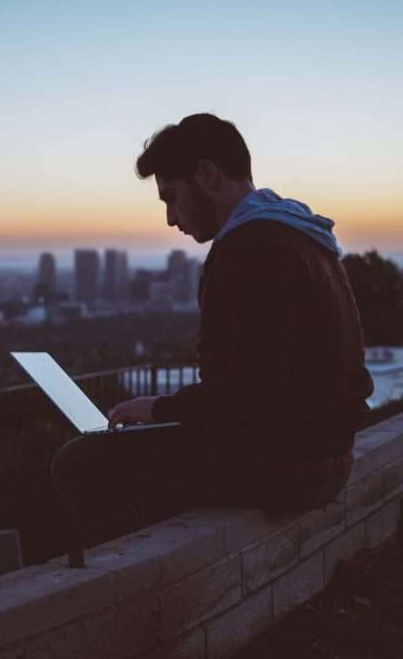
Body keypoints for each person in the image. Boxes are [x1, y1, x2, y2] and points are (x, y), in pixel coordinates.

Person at [53, 113, 374, 567]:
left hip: (292, 466)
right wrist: (175, 412)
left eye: (172, 198)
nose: (170, 219)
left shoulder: (250, 248)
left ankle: (140, 585)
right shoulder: (300, 235)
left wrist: (162, 410)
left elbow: (252, 395)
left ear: (206, 175)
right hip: (327, 454)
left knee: (80, 462)